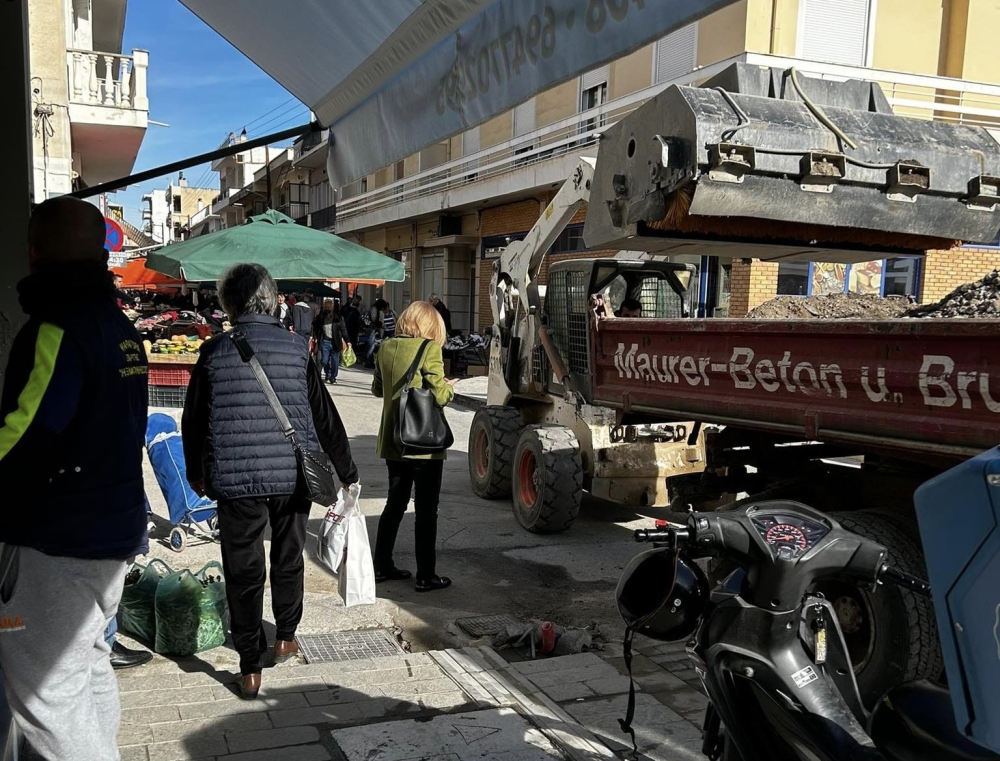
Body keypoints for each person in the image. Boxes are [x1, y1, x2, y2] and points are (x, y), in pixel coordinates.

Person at [0, 196, 149, 761]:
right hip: (112, 530)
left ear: (34, 253)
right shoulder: (119, 325)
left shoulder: (57, 327)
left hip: (58, 537)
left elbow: (27, 431)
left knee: (46, 698)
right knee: (87, 664)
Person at [182, 263, 359, 700]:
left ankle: (249, 667)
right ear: (272, 299)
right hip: (292, 475)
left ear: (230, 303)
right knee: (288, 556)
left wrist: (197, 471)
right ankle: (285, 636)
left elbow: (194, 420)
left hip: (235, 477)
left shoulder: (214, 351)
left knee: (243, 569)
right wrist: (347, 470)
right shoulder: (298, 349)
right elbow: (324, 416)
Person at [371, 301, 457, 592]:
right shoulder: (430, 349)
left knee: (394, 503)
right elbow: (440, 394)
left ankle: (381, 565)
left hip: (393, 441)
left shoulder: (384, 347)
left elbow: (377, 390)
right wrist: (449, 385)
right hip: (423, 442)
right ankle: (426, 575)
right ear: (431, 326)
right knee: (425, 509)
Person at [312, 299, 349, 384]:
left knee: (335, 361)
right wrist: (315, 337)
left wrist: (347, 340)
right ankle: (327, 373)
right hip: (325, 341)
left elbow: (343, 329)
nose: (328, 308)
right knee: (324, 360)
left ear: (332, 307)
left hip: (335, 341)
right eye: (326, 307)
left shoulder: (338, 318)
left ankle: (333, 377)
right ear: (324, 307)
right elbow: (315, 327)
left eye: (329, 306)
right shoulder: (321, 317)